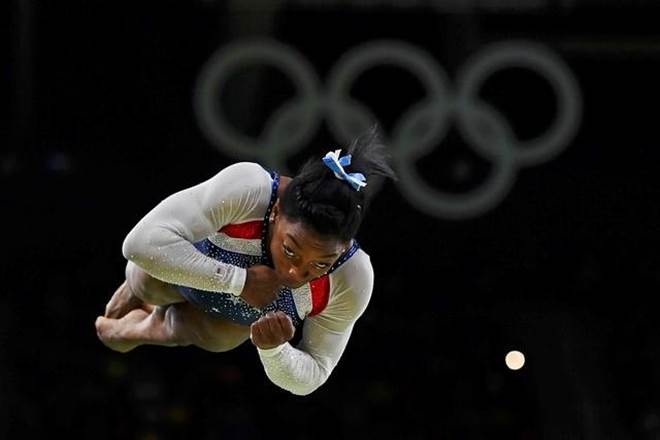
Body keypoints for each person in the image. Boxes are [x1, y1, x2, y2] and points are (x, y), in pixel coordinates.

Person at [95, 126, 397, 396]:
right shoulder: (248, 190)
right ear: (277, 212)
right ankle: (136, 288)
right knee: (149, 280)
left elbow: (316, 372)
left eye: (320, 265)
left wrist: (275, 350)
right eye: (290, 250)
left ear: (342, 248)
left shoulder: (353, 277)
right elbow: (139, 243)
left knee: (222, 337)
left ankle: (138, 329)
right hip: (178, 271)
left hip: (219, 321)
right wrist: (239, 281)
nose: (295, 273)